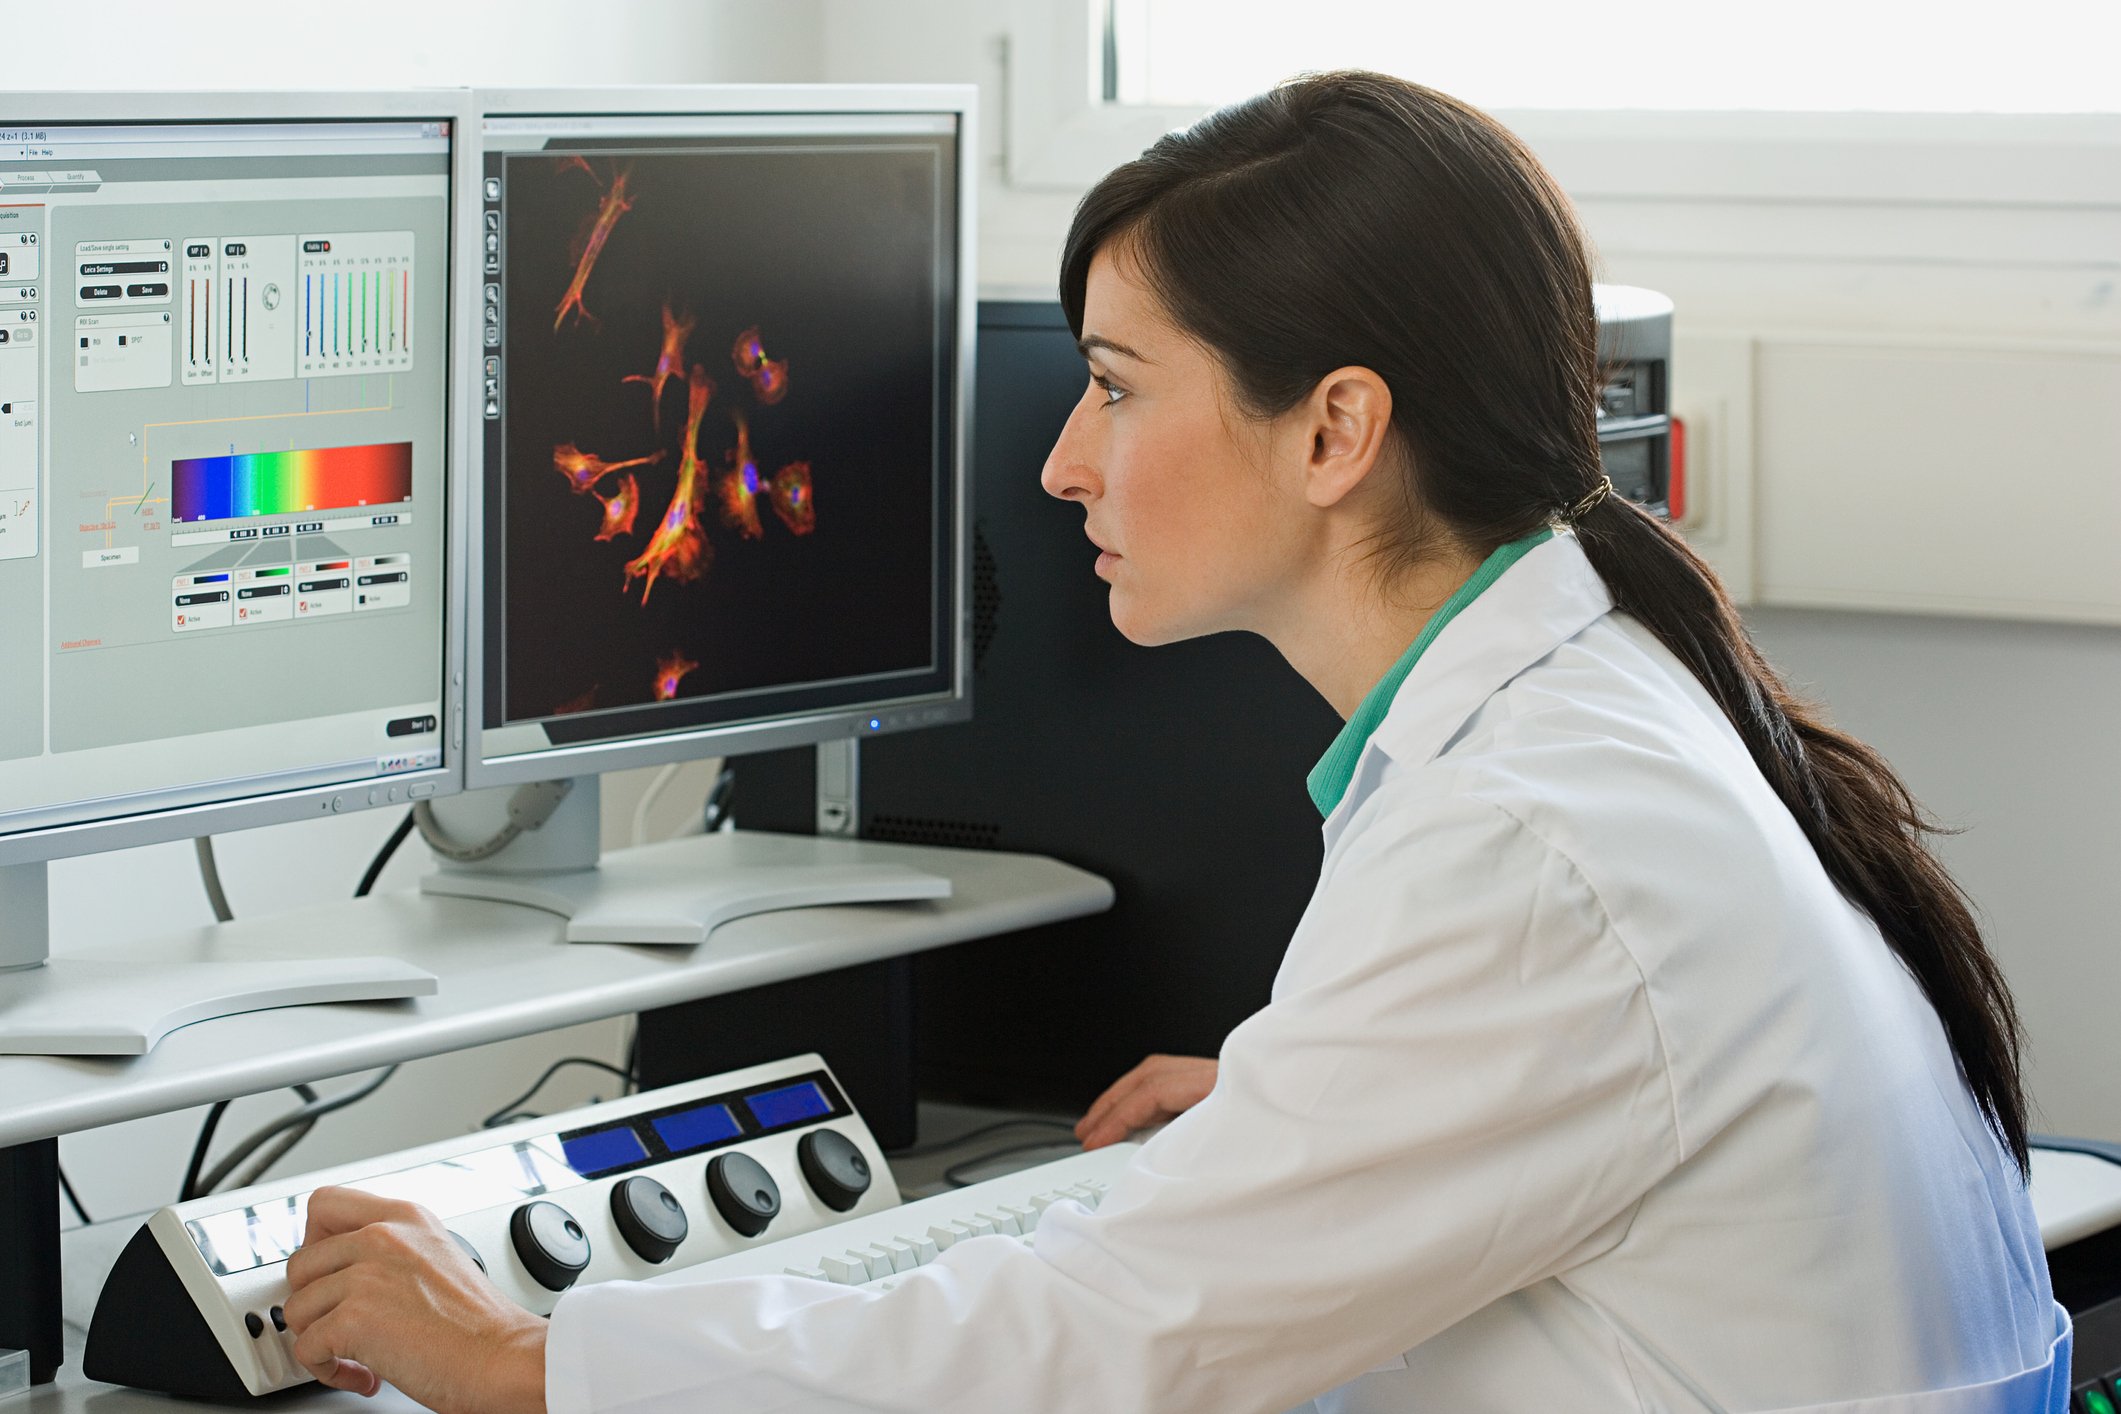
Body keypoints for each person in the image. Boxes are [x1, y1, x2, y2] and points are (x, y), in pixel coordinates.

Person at [281, 72, 2068, 1412]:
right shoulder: (1601, 706)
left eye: (1119, 386)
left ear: (1333, 430)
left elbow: (1105, 1334)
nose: (1059, 462)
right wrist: (1331, 1103)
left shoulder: (1532, 837)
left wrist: (534, 1359)